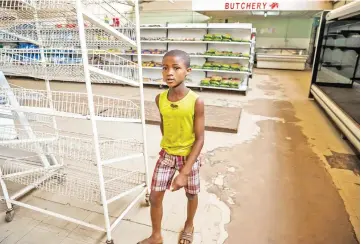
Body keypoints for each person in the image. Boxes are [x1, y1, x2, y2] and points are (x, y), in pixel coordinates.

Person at [138, 50, 205, 244]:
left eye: (176, 68)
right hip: (167, 155)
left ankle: (189, 225)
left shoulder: (196, 101)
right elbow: (164, 123)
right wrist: (170, 144)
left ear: (187, 71)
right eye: (165, 68)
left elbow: (200, 139)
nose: (169, 73)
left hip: (189, 156)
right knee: (156, 196)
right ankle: (156, 235)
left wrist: (184, 172)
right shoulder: (160, 99)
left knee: (191, 194)